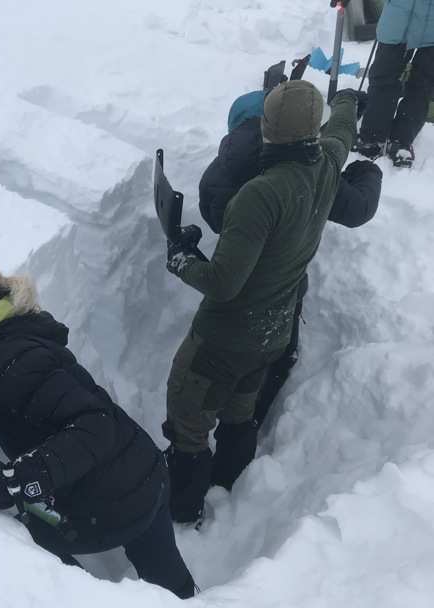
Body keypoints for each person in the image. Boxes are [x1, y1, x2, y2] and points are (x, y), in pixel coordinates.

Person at [0, 260, 195, 599]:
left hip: (107, 507)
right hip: (145, 470)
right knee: (170, 581)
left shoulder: (11, 362)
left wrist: (18, 480)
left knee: (15, 542)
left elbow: (95, 425)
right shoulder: (14, 335)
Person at [162, 81, 360, 527]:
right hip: (271, 334)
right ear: (316, 125)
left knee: (187, 427)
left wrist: (180, 261)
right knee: (239, 416)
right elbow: (343, 130)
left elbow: (224, 283)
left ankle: (184, 511)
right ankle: (229, 484)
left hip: (220, 341)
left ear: (264, 128)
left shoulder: (260, 194)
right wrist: (347, 99)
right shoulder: (328, 162)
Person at [198, 86, 382, 428]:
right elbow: (357, 208)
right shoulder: (312, 171)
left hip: (231, 309)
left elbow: (212, 219)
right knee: (273, 361)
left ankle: (228, 413)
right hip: (284, 296)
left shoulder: (217, 173)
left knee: (212, 385)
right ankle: (257, 415)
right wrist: (368, 173)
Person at [352, 0, 434, 167]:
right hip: (397, 20)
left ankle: (402, 141)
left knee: (423, 85)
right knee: (383, 77)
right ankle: (372, 138)